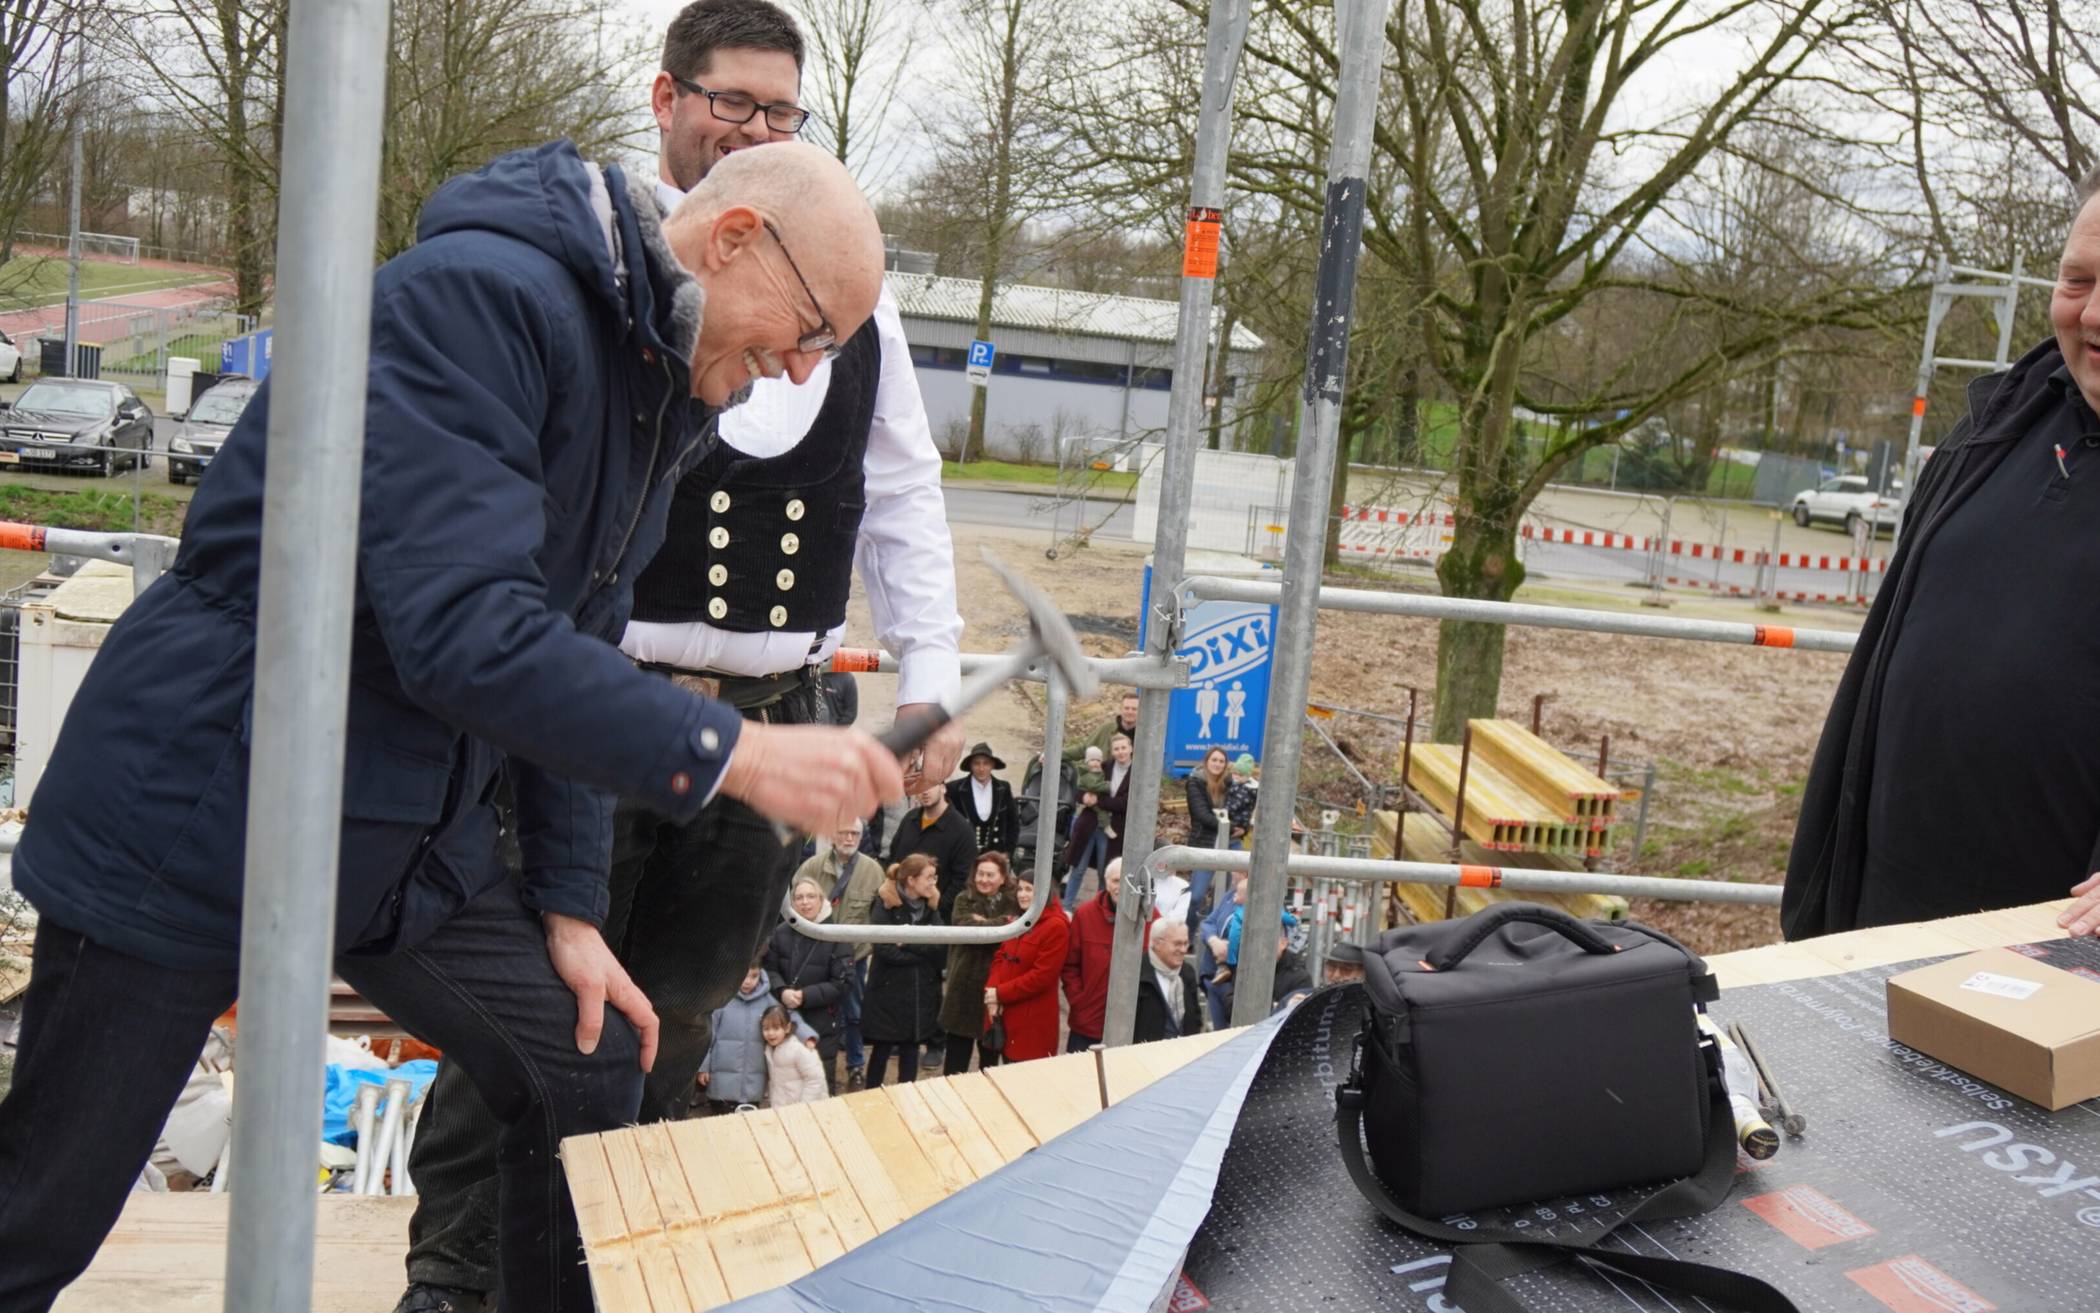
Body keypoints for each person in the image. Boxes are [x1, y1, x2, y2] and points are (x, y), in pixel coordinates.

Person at [0, 131, 900, 1313]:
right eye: (813, 327)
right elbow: (467, 631)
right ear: (735, 238)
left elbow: (580, 635)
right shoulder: (479, 305)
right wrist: (733, 749)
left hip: (389, 824)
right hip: (206, 800)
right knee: (42, 1213)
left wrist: (573, 908)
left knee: (583, 1062)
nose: (799, 367)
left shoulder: (651, 379)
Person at [396, 3, 961, 1306]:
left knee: (671, 1028)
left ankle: (577, 1280)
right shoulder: (595, 280)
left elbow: (907, 494)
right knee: (520, 1031)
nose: (758, 128)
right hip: (587, 721)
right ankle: (452, 1287)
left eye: (782, 113)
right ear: (667, 101)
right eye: (736, 104)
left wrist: (927, 677)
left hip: (773, 726)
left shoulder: (853, 298)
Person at [1785, 169, 2100, 940]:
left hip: (2062, 969)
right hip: (1889, 918)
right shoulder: (2003, 422)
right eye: (2078, 280)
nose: (2092, 314)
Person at [798, 818, 885, 1089]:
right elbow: (794, 901)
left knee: (854, 1014)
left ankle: (855, 1067)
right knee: (815, 1011)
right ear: (833, 835)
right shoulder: (812, 866)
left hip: (855, 956)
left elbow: (879, 914)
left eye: (854, 833)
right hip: (816, 954)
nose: (849, 838)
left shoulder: (873, 871)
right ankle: (814, 1068)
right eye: (843, 833)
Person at [861, 855, 946, 1086]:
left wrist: (907, 942)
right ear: (911, 880)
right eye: (929, 877)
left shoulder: (931, 905)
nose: (933, 883)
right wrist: (921, 953)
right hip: (888, 992)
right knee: (882, 1049)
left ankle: (908, 1098)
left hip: (919, 993)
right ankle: (871, 1096)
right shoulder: (885, 903)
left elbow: (939, 945)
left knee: (911, 1049)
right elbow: (884, 949)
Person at [763, 877, 853, 1092]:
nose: (805, 902)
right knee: (787, 1084)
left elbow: (844, 982)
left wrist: (806, 995)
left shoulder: (837, 935)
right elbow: (770, 970)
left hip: (822, 1022)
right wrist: (782, 991)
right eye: (799, 897)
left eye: (811, 896)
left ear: (822, 900)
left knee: (820, 1082)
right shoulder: (780, 933)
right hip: (786, 1021)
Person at [938, 852, 1021, 1074]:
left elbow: (1011, 932)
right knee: (955, 1063)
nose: (984, 880)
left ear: (1003, 877)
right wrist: (1001, 925)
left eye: (990, 875)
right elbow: (966, 928)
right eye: (980, 874)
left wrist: (987, 925)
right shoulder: (963, 899)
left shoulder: (1013, 901)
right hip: (963, 987)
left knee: (990, 1061)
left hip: (994, 988)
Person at [1061, 857, 1156, 1052]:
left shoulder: (1152, 918)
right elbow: (1070, 965)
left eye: (1127, 882)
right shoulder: (1085, 915)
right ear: (1106, 882)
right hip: (1087, 1023)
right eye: (1115, 881)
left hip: (1133, 1025)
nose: (1121, 887)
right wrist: (1079, 1001)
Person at [699, 961, 812, 1114]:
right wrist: (703, 1066)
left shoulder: (767, 1002)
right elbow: (707, 1035)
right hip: (721, 1084)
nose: (748, 981)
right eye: (743, 976)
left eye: (754, 976)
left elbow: (788, 1016)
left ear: (760, 974)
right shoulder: (722, 1000)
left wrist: (807, 1035)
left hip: (753, 1085)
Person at [983, 870, 1069, 1063]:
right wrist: (992, 993)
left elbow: (1042, 976)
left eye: (1029, 889)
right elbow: (1000, 957)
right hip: (1004, 1012)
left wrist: (1000, 993)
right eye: (1020, 889)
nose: (1022, 894)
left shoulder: (1056, 926)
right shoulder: (1020, 920)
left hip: (1032, 1021)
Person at [888, 779, 979, 912]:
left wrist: (936, 908)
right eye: (920, 786)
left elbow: (962, 880)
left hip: (935, 919)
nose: (924, 791)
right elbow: (895, 858)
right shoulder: (910, 819)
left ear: (943, 788)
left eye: (930, 786)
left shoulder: (962, 830)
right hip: (899, 910)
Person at [1183, 745, 1243, 930]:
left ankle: (1210, 931)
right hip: (1206, 843)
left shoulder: (1231, 783)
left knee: (1226, 895)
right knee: (1196, 896)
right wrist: (1230, 826)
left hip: (1230, 842)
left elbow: (1242, 810)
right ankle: (1188, 933)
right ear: (1207, 762)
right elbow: (1201, 815)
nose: (1217, 764)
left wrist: (1243, 828)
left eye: (1221, 761)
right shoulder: (1195, 782)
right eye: (1214, 760)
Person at [1132, 921, 1204, 1043]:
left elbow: (1195, 1019)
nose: (1183, 950)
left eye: (1185, 943)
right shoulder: (1136, 973)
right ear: (1157, 944)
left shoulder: (1187, 973)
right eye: (1177, 944)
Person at [946, 742, 1019, 857]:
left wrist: (1007, 853)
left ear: (992, 765)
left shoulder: (1003, 788)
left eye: (986, 763)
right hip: (964, 855)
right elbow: (947, 824)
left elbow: (1013, 824)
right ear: (970, 766)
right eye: (976, 763)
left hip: (995, 856)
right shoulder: (954, 789)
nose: (981, 768)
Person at [1061, 745, 1111, 910]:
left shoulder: (1107, 771)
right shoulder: (1083, 773)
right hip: (1086, 825)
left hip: (1104, 828)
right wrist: (1084, 797)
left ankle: (1100, 905)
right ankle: (1067, 905)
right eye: (1092, 760)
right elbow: (1078, 791)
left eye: (1098, 760)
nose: (1095, 763)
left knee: (1104, 870)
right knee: (1079, 868)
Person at [1197, 873, 1246, 1030]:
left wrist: (1230, 949)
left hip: (1235, 983)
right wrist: (1214, 941)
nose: (1231, 874)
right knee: (1218, 1037)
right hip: (1215, 977)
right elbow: (1207, 923)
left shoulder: (1264, 904)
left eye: (1236, 871)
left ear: (1245, 874)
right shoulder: (1230, 894)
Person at [761, 1004, 829, 1106]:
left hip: (806, 1108)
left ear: (787, 1027)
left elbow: (815, 1079)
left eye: (776, 1028)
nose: (770, 1033)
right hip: (783, 1106)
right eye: (766, 1029)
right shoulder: (769, 1049)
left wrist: (803, 1107)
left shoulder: (799, 1049)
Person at [1065, 690, 1140, 766]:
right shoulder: (1106, 729)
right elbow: (1083, 749)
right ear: (1121, 709)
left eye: (1134, 709)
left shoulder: (1147, 737)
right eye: (1127, 708)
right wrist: (1057, 755)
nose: (1130, 712)